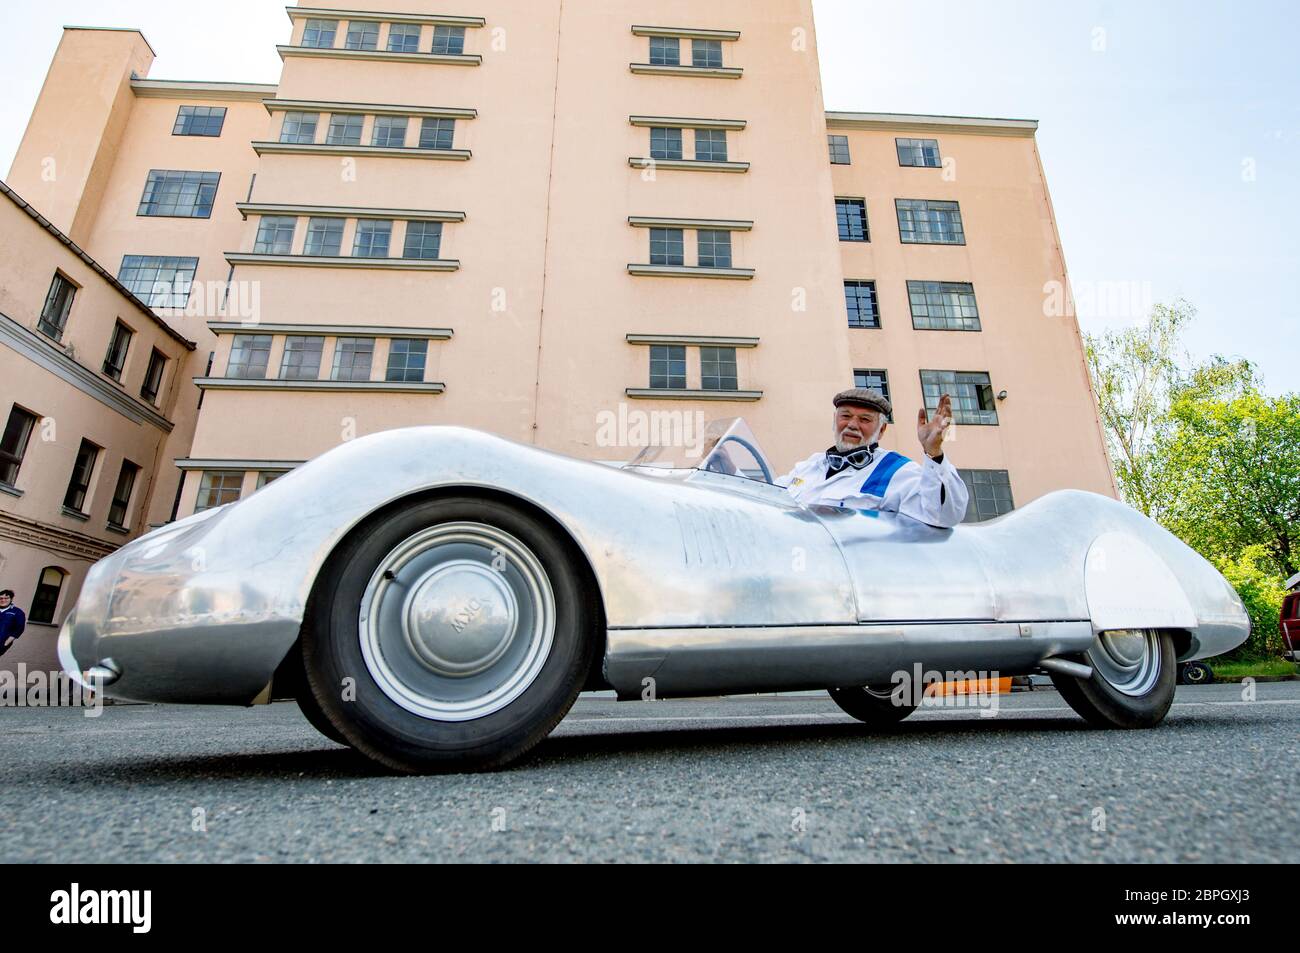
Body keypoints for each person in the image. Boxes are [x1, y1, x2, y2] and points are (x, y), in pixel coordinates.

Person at [776, 387, 969, 527]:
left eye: (864, 419)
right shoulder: (811, 465)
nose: (852, 424)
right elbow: (769, 499)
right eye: (845, 416)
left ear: (882, 429)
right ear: (834, 420)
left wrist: (933, 453)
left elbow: (943, 516)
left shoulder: (896, 470)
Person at [0, 589, 25, 657]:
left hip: (1, 644)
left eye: (6, 598)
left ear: (11, 599)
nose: (3, 600)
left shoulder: (17, 612)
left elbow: (19, 629)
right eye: (1, 598)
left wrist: (6, 644)